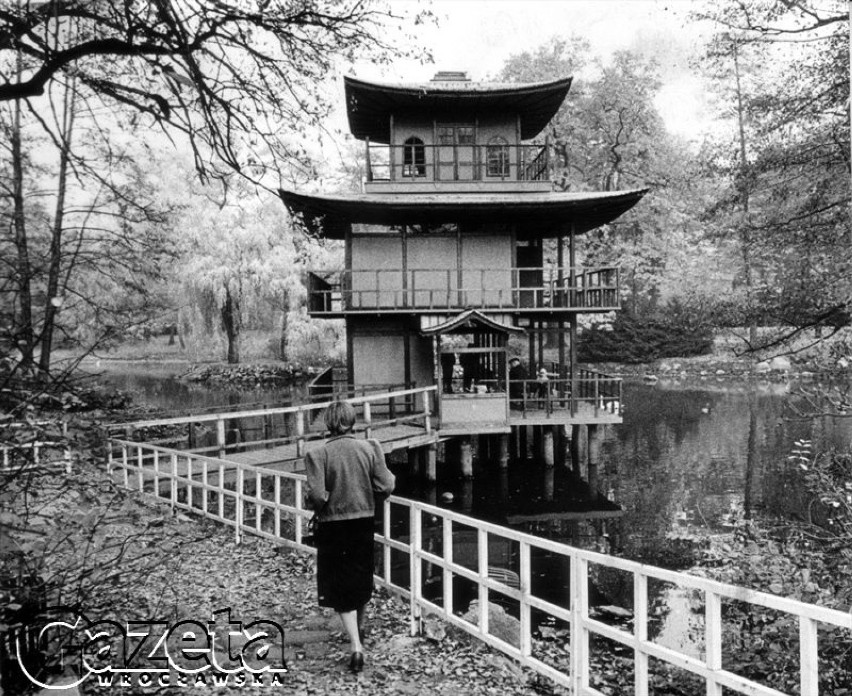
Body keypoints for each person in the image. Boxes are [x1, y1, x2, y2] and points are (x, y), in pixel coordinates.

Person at [304, 401, 395, 673]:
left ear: (329, 422)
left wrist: (319, 504)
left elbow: (318, 495)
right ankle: (360, 629)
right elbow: (386, 484)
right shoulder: (369, 448)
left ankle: (356, 646)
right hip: (364, 521)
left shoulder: (318, 454)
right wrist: (368, 496)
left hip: (333, 525)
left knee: (339, 583)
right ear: (352, 420)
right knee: (360, 577)